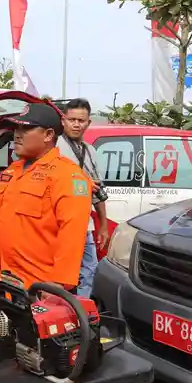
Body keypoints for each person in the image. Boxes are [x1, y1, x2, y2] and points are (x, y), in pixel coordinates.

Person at [0, 103, 93, 288]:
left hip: (37, 287)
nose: (17, 134)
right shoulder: (12, 171)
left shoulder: (68, 175)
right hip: (1, 279)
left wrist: (57, 284)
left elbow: (72, 236)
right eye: (16, 128)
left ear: (48, 135)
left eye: (26, 128)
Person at [56, 98, 110, 297]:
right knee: (59, 273)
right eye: (72, 120)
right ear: (63, 120)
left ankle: (82, 310)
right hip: (58, 223)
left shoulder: (90, 151)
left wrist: (103, 225)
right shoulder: (53, 147)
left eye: (81, 120)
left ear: (88, 122)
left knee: (89, 270)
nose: (76, 124)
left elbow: (97, 191)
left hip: (84, 223)